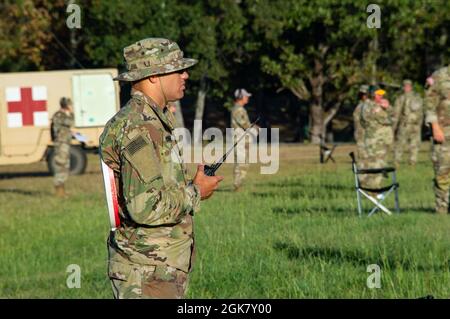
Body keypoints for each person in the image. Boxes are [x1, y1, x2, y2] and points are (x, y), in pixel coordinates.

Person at [99, 38, 223, 298]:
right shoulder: (139, 127)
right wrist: (196, 191)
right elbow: (145, 207)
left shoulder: (152, 120)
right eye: (177, 69)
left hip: (157, 266)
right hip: (147, 272)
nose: (185, 75)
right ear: (153, 76)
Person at [424, 65, 450, 214]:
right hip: (444, 132)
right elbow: (429, 103)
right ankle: (442, 209)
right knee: (443, 171)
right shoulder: (440, 76)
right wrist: (434, 126)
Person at [360, 88, 394, 190]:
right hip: (375, 141)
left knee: (380, 163)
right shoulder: (370, 105)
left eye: (381, 94)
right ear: (372, 94)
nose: (381, 96)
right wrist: (387, 108)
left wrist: (388, 108)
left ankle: (372, 186)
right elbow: (387, 120)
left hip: (380, 140)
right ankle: (373, 189)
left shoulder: (375, 105)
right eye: (378, 94)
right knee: (376, 164)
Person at [393, 79, 424, 167]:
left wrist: (393, 127)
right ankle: (398, 162)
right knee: (402, 144)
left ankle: (410, 162)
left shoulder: (404, 97)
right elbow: (397, 113)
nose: (407, 88)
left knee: (412, 145)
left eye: (408, 86)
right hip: (408, 125)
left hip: (411, 125)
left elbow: (396, 113)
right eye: (406, 86)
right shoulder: (416, 97)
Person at [230, 88, 255, 192]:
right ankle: (237, 185)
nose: (247, 98)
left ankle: (238, 185)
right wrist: (255, 128)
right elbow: (245, 124)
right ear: (241, 97)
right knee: (241, 163)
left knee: (242, 162)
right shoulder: (238, 110)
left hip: (241, 139)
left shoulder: (239, 108)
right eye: (246, 96)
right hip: (240, 139)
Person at [51, 97, 74, 198]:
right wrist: (69, 113)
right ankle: (59, 190)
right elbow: (70, 122)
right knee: (61, 165)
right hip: (61, 144)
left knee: (65, 166)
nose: (71, 106)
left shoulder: (63, 115)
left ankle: (62, 190)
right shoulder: (59, 115)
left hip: (64, 143)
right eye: (69, 105)